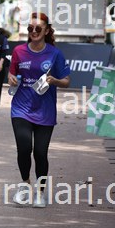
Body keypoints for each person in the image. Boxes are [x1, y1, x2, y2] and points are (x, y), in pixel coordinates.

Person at [7, 12, 70, 208]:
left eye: (38, 29)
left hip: (45, 111)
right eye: (30, 28)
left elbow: (67, 81)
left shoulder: (55, 54)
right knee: (24, 148)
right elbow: (12, 74)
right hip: (21, 108)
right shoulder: (19, 51)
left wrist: (55, 81)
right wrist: (11, 79)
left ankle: (40, 192)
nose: (33, 32)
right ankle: (25, 185)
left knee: (40, 153)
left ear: (47, 30)